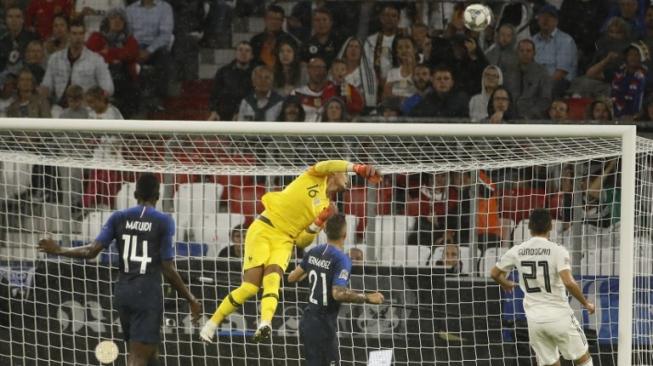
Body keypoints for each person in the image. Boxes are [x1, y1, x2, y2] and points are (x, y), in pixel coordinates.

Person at [200, 160, 382, 343]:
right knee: (250, 287)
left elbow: (302, 240)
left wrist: (317, 223)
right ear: (335, 173)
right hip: (264, 228)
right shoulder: (314, 176)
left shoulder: (327, 207)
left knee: (273, 279)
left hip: (285, 240)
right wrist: (357, 168)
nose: (349, 180)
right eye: (346, 174)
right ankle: (211, 325)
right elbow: (327, 164)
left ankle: (265, 323)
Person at [38, 173, 202, 366]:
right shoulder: (164, 221)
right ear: (158, 196)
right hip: (147, 294)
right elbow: (167, 267)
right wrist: (190, 298)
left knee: (148, 355)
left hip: (123, 293)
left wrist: (59, 249)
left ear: (134, 194)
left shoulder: (119, 217)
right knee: (139, 356)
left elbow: (91, 251)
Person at [490, 208, 595, 366]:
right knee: (583, 359)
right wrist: (585, 303)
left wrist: (505, 283)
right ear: (551, 227)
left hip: (535, 321)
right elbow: (568, 282)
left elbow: (494, 273)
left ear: (530, 228)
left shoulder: (518, 250)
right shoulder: (557, 251)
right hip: (560, 317)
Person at [288, 214, 384, 366]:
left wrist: (316, 273)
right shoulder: (342, 259)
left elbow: (292, 278)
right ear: (345, 235)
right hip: (324, 324)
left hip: (308, 321)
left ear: (325, 230)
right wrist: (368, 297)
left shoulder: (314, 251)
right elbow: (338, 294)